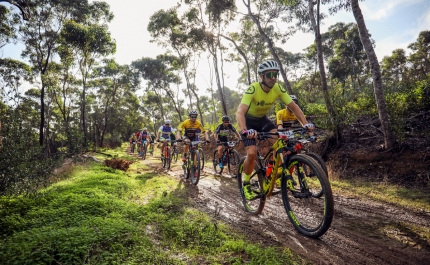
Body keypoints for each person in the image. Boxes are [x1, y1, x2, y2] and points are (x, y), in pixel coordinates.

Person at [236, 59, 314, 200]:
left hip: (262, 120)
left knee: (280, 143)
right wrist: (244, 131)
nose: (273, 78)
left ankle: (274, 174)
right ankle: (246, 183)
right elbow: (240, 112)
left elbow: (294, 108)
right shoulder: (253, 89)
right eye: (269, 74)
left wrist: (306, 124)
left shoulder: (278, 88)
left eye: (275, 74)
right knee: (252, 153)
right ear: (261, 76)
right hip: (248, 123)